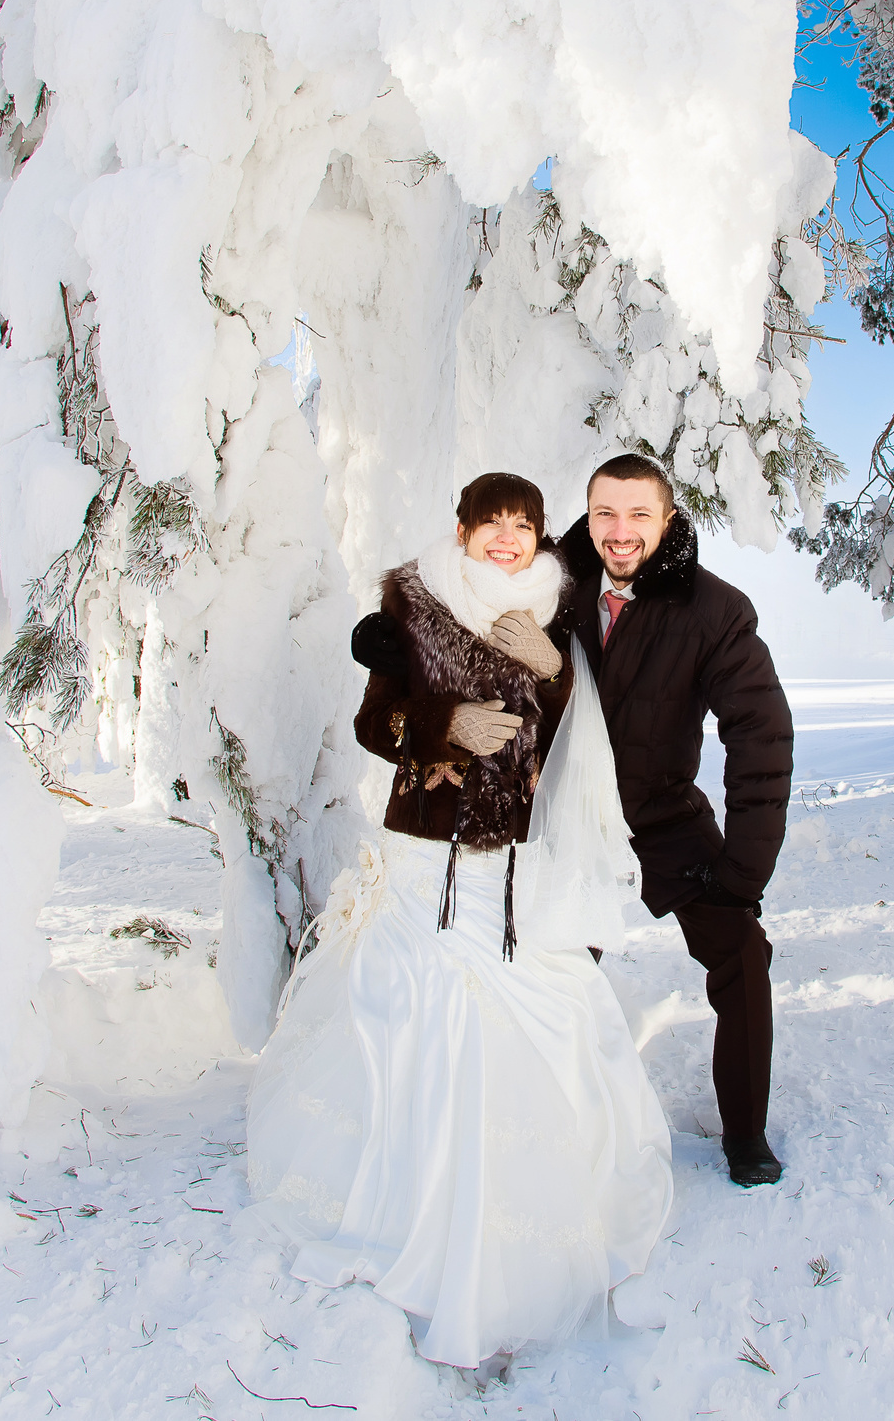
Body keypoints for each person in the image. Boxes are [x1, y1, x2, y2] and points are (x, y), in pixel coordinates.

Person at [245, 472, 673, 1371]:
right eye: (494, 525)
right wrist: (444, 722)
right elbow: (375, 721)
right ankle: (400, 1210)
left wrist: (555, 676)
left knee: (527, 1013)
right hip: (422, 858)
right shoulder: (413, 607)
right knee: (410, 1011)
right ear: (464, 530)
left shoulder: (556, 613)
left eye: (525, 526)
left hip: (511, 866)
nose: (510, 540)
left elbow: (577, 742)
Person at [555, 453, 794, 1188]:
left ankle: (745, 1132)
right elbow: (462, 603)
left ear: (667, 518)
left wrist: (743, 870)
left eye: (637, 514)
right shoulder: (550, 588)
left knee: (742, 953)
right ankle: (551, 1119)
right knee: (550, 970)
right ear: (588, 515)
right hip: (574, 819)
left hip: (664, 813)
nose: (619, 531)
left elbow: (761, 732)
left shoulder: (713, 609)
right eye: (605, 513)